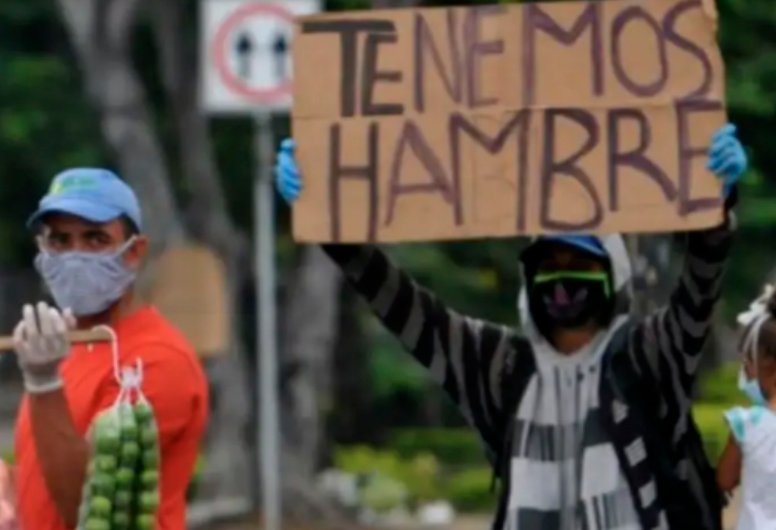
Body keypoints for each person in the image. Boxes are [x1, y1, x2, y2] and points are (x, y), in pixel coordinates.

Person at [274, 124, 747, 530]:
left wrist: (715, 208)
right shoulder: (498, 367)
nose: (562, 278)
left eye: (579, 263)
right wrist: (329, 224)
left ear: (612, 274)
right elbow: (400, 304)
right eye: (549, 263)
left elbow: (699, 289)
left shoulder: (648, 357)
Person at [2, 168, 209, 530]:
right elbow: (45, 477)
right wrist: (9, 488)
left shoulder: (157, 361)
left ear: (134, 251)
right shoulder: (64, 348)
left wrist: (44, 383)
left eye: (95, 238)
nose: (75, 255)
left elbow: (90, 510)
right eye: (60, 240)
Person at [717, 285, 776, 530]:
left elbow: (724, 480)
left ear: (766, 361)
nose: (745, 375)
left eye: (747, 363)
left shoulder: (747, 424)